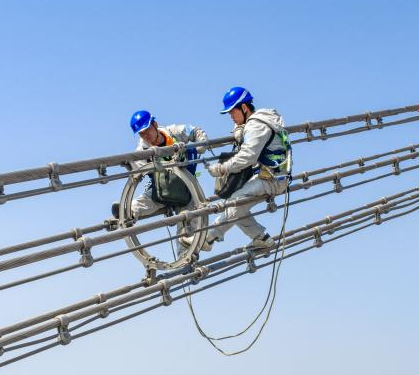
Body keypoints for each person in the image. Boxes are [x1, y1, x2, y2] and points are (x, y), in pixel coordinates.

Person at [206, 87, 291, 251]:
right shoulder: (262, 121)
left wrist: (222, 168)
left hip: (272, 180)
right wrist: (241, 130)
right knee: (239, 205)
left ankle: (209, 237)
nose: (231, 116)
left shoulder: (256, 125)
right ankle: (261, 239)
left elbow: (247, 157)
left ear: (244, 108)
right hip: (274, 175)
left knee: (235, 201)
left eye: (233, 112)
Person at [117, 110, 208, 256]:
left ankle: (187, 258)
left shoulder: (173, 132)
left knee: (188, 222)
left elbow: (194, 131)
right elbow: (138, 170)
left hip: (185, 187)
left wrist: (201, 143)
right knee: (145, 200)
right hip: (162, 188)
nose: (146, 136)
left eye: (147, 130)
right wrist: (131, 166)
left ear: (155, 124)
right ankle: (127, 212)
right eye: (141, 134)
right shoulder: (143, 151)